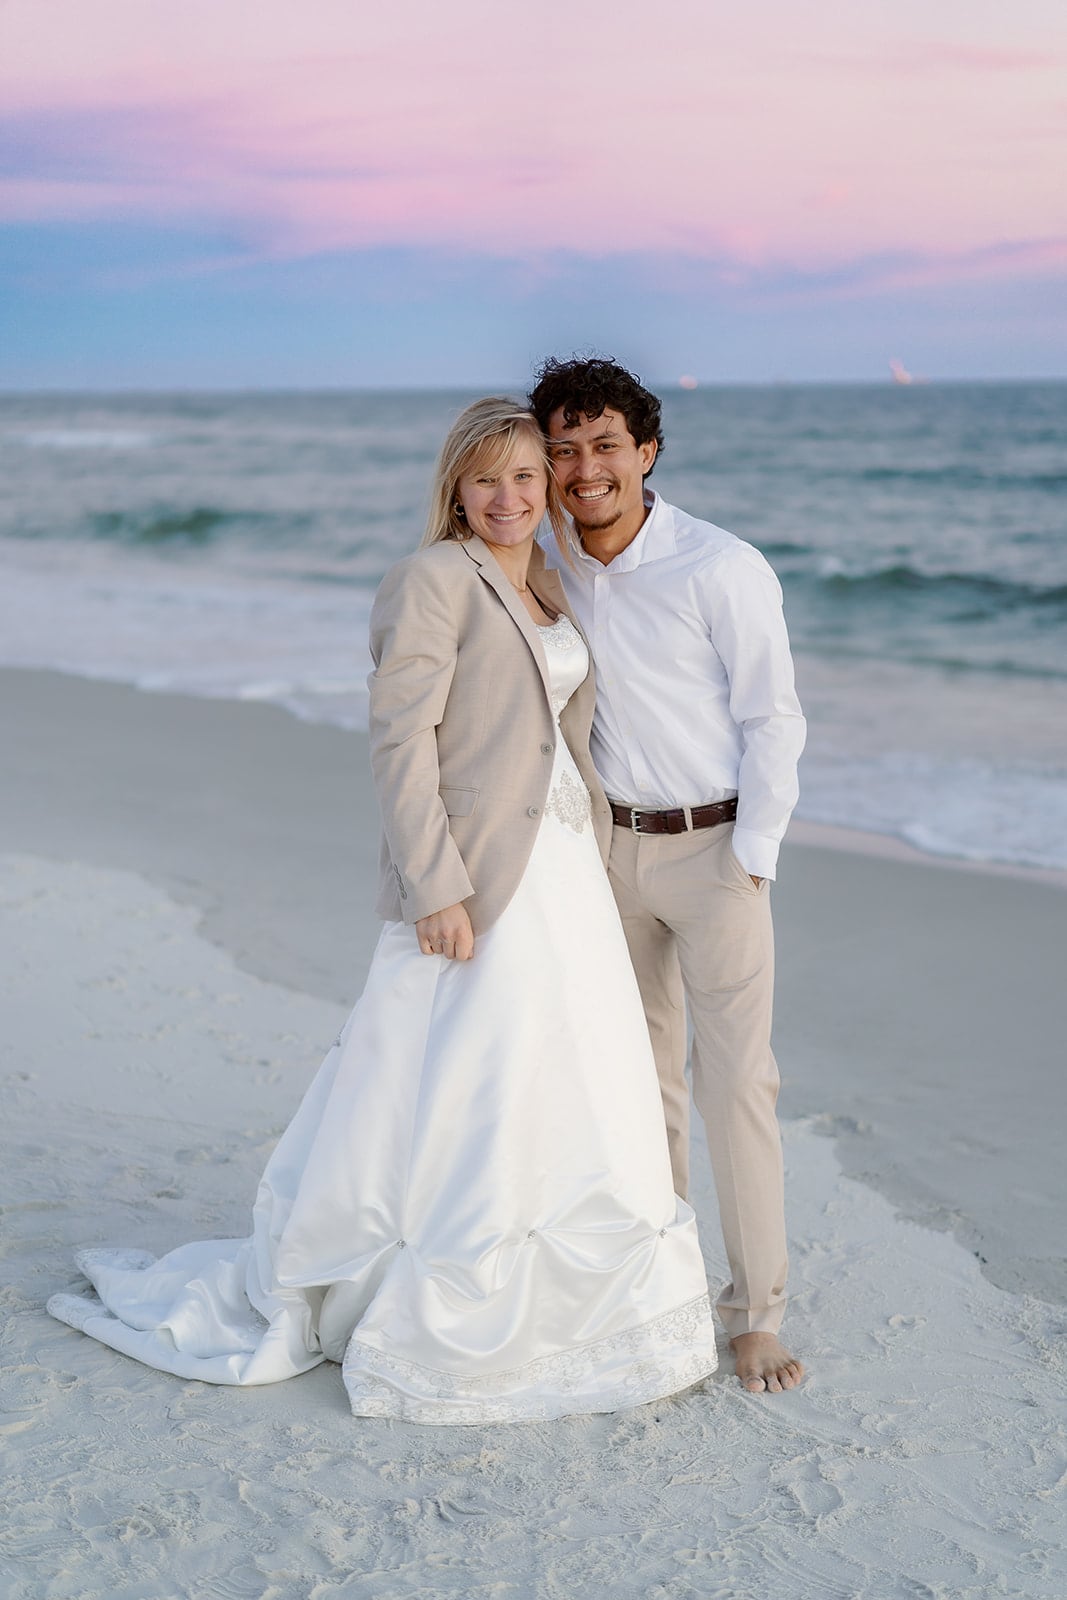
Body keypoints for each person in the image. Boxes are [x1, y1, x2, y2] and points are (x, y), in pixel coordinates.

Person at [48, 397, 719, 1424]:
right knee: (459, 1067)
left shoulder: (543, 580)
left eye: (528, 477)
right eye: (486, 477)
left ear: (549, 490)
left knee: (571, 1061)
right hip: (479, 875)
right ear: (454, 484)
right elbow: (400, 741)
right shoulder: (429, 581)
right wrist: (432, 883)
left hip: (566, 866)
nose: (509, 496)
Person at [529, 358, 808, 1394]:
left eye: (604, 445)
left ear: (645, 453)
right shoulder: (548, 554)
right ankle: (659, 1287)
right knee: (635, 1082)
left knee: (737, 1084)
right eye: (561, 448)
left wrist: (751, 858)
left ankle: (754, 1315)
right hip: (606, 853)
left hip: (715, 852)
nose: (581, 467)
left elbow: (770, 716)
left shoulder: (719, 567)